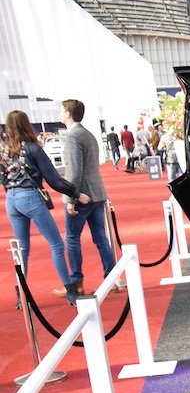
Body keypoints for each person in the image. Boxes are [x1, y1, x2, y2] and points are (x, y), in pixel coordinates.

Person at [1, 109, 90, 304]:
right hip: (29, 197)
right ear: (26, 125)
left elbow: (3, 179)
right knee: (56, 244)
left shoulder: (3, 150)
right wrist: (76, 194)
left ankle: (21, 294)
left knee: (22, 249)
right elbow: (54, 179)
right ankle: (71, 291)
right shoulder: (33, 149)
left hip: (11, 200)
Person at [60, 99, 119, 294]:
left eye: (61, 110)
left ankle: (76, 282)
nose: (60, 114)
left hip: (82, 196)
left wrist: (71, 199)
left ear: (68, 113)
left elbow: (74, 171)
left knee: (72, 238)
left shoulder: (73, 136)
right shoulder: (88, 134)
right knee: (100, 237)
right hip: (97, 192)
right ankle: (111, 279)